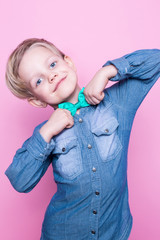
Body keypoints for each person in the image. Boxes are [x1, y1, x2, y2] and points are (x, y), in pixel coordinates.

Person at [5, 38, 160, 240]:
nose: (51, 75)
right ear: (36, 100)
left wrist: (107, 71)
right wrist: (47, 132)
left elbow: (156, 59)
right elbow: (20, 181)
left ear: (68, 62)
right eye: (39, 81)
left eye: (52, 64)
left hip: (113, 233)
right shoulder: (46, 133)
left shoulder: (117, 104)